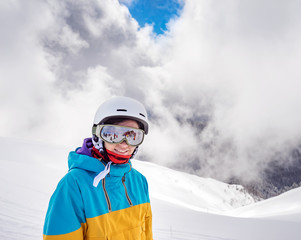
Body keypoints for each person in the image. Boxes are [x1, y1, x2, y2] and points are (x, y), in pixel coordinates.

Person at [43, 96, 153, 240]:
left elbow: (146, 235)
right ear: (98, 136)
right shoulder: (74, 184)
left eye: (133, 136)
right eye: (113, 134)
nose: (124, 144)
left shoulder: (139, 181)